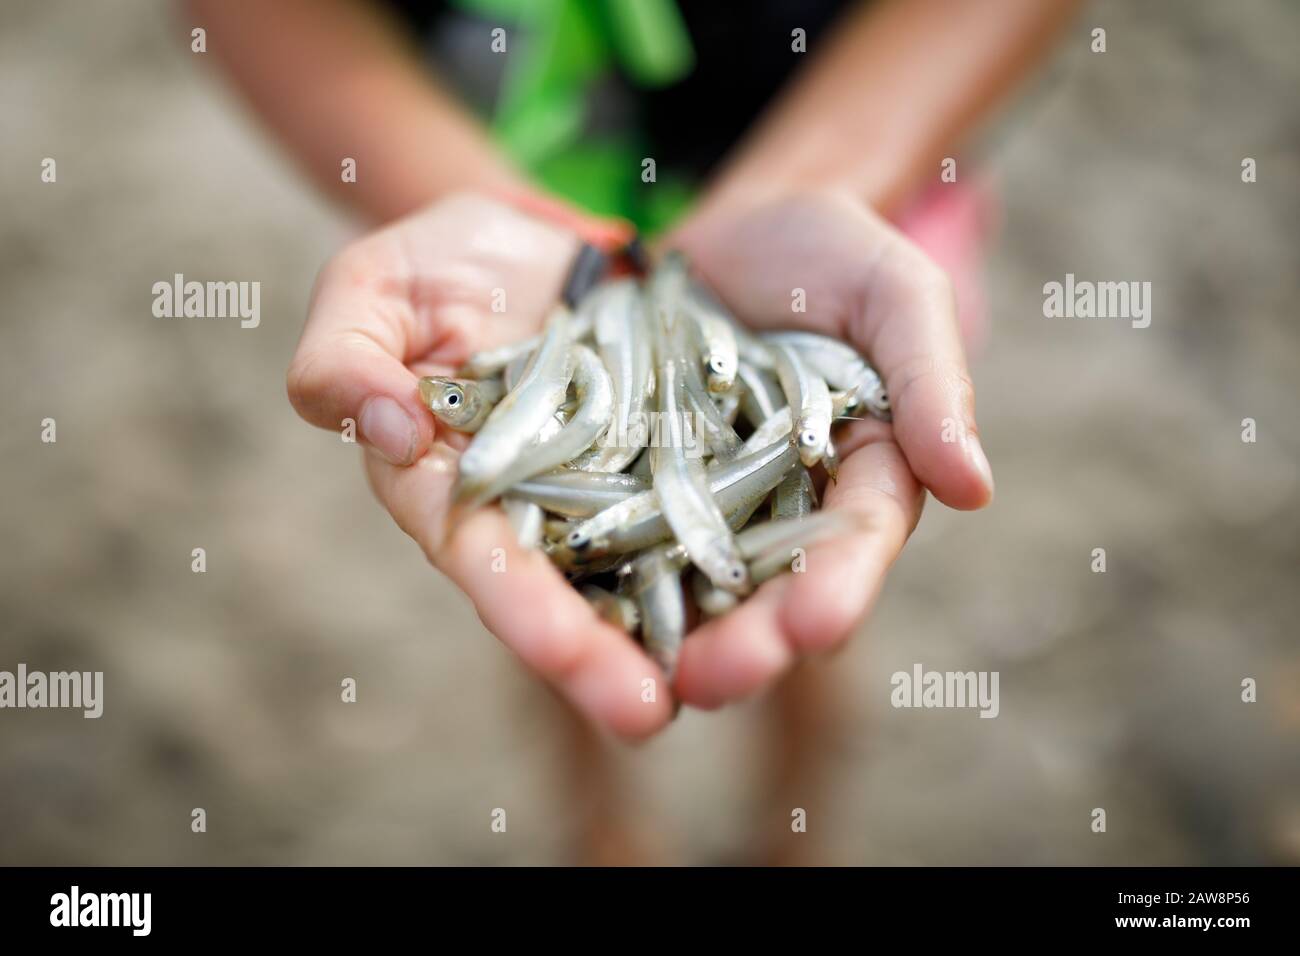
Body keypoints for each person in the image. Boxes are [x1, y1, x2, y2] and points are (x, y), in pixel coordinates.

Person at [190, 0, 1076, 860]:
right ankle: (604, 834)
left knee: (811, 611)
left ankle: (793, 834)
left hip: (849, 174)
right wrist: (477, 205)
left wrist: (809, 182)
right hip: (532, 186)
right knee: (555, 613)